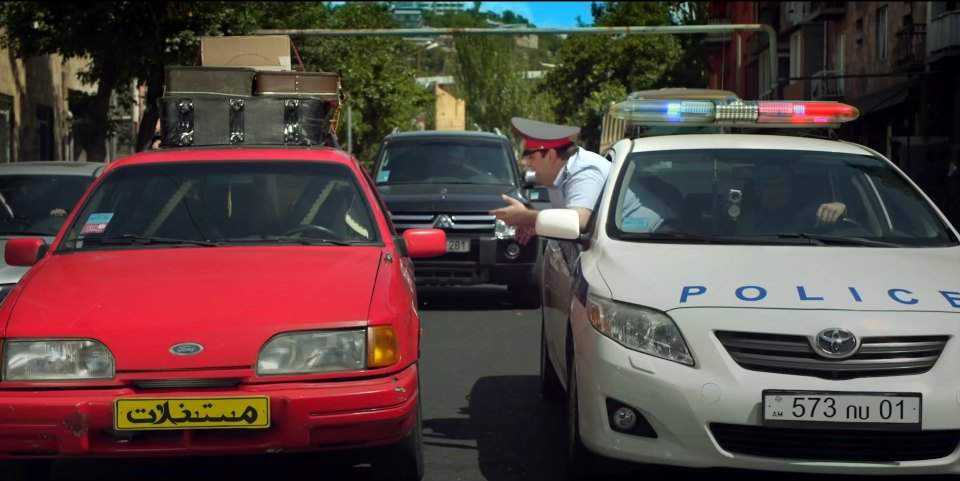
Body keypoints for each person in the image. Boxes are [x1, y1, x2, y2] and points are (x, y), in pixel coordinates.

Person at [490, 117, 610, 245]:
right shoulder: (557, 174)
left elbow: (578, 221)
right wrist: (539, 223)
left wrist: (525, 217)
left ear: (551, 155)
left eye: (530, 156)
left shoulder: (584, 171)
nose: (524, 163)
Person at [739, 163, 848, 233]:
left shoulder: (810, 215)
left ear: (790, 189)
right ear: (757, 191)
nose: (773, 192)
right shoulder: (748, 221)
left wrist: (841, 209)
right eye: (767, 186)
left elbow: (844, 226)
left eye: (780, 186)